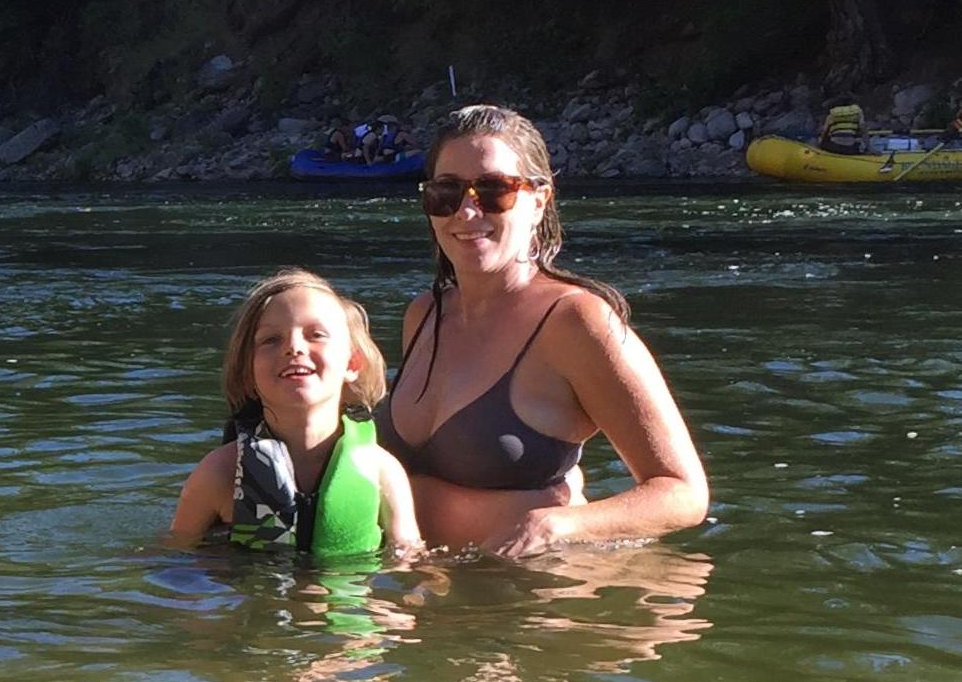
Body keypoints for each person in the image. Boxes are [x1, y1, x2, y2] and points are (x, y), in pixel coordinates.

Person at [373, 104, 708, 556]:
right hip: (439, 599)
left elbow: (684, 494)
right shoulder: (424, 314)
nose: (467, 212)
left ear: (538, 200)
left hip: (537, 603)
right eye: (446, 192)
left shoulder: (578, 322)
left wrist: (555, 526)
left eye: (494, 190)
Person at [167, 268, 422, 561]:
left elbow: (409, 560)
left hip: (348, 605)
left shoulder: (382, 470)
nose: (293, 347)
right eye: (271, 340)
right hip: (254, 602)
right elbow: (174, 561)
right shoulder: (219, 473)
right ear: (247, 371)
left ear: (352, 363)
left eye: (316, 334)